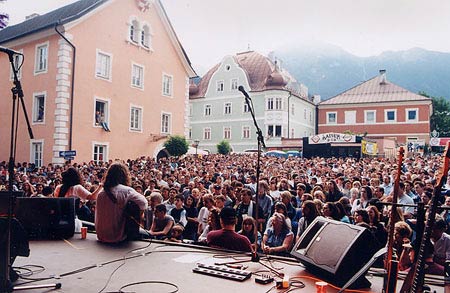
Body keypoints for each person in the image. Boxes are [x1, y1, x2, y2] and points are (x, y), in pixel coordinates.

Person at [95, 162, 148, 243]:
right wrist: (139, 214)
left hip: (101, 236)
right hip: (118, 237)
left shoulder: (101, 193)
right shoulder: (126, 191)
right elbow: (144, 203)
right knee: (147, 235)